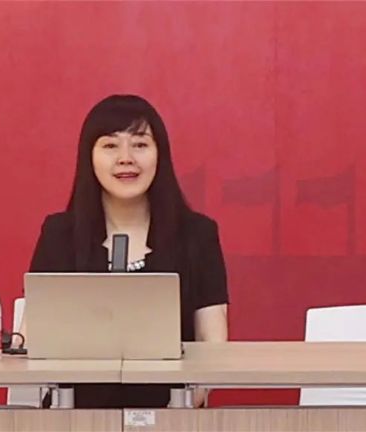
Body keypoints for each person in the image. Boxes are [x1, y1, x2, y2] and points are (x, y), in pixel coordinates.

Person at [23, 94, 228, 408]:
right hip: (74, 415)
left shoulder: (197, 234)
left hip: (173, 413)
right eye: (110, 145)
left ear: (160, 155)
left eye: (140, 144)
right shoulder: (59, 234)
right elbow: (31, 338)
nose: (126, 158)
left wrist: (181, 413)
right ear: (89, 157)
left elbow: (213, 342)